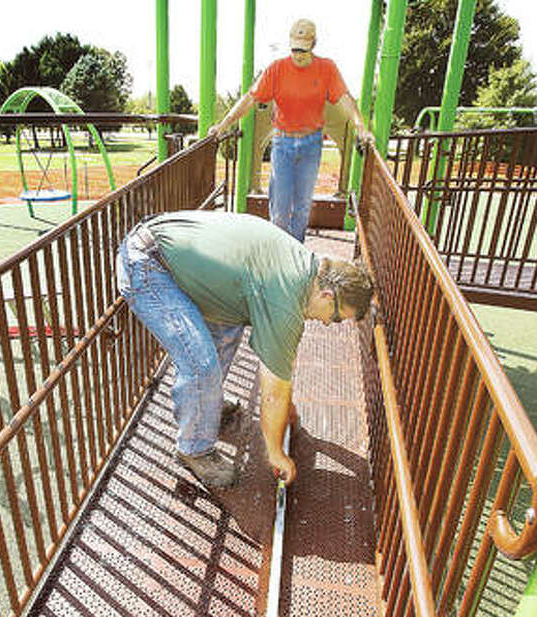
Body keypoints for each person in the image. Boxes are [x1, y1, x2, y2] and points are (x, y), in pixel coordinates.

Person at [116, 210, 373, 489]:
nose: (326, 323)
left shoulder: (304, 270)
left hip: (166, 250)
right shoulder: (285, 297)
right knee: (200, 364)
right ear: (327, 295)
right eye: (335, 317)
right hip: (148, 266)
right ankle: (193, 449)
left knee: (227, 331)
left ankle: (204, 406)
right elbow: (273, 392)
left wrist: (287, 406)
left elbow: (281, 368)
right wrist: (275, 453)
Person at [210, 18, 375, 243]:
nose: (297, 55)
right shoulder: (277, 68)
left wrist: (361, 127)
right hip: (283, 144)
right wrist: (223, 125)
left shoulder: (327, 68)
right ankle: (278, 255)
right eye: (294, 49)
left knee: (302, 208)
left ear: (313, 45)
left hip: (311, 144)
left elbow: (346, 100)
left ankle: (295, 255)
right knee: (279, 211)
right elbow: (250, 98)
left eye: (303, 50)